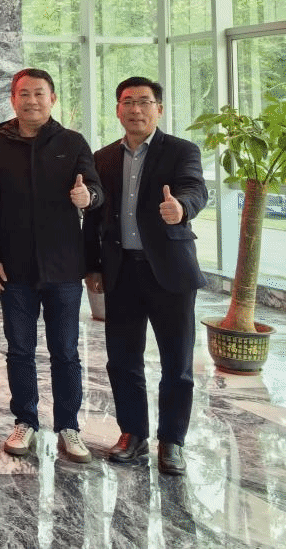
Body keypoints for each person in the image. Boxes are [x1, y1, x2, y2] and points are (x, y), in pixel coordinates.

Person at [0, 67, 104, 463]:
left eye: (39, 93)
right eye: (24, 94)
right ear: (13, 99)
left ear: (52, 99)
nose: (32, 101)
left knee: (65, 350)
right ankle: (25, 421)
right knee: (20, 349)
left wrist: (88, 197)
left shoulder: (72, 142)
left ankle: (68, 426)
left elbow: (96, 190)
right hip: (14, 269)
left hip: (63, 267)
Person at [86, 76, 208, 475]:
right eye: (128, 102)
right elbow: (94, 218)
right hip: (121, 272)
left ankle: (172, 442)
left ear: (159, 108)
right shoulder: (103, 158)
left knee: (177, 363)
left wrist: (182, 208)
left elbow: (194, 189)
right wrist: (92, 266)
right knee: (122, 359)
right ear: (117, 109)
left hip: (170, 271)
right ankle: (132, 434)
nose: (135, 109)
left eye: (144, 101)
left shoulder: (181, 151)